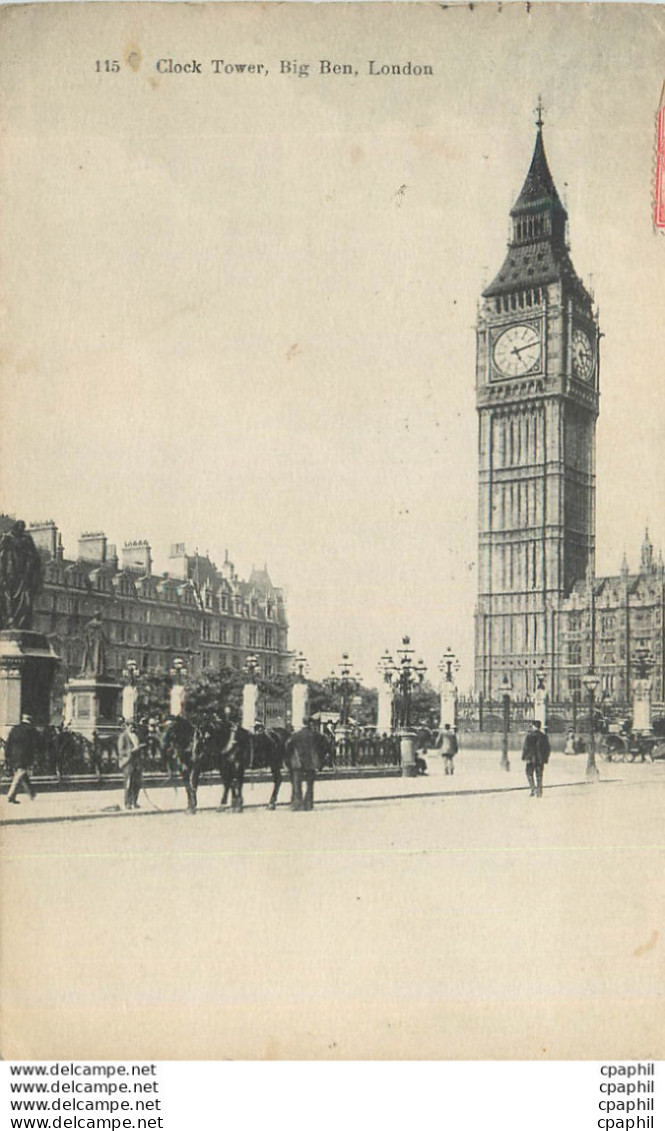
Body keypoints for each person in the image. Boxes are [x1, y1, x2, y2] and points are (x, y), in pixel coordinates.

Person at [5, 713, 43, 803]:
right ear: (31, 720)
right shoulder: (31, 730)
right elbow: (37, 745)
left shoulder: (14, 729)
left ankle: (32, 794)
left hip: (13, 755)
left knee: (22, 774)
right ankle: (10, 795)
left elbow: (8, 743)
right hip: (25, 756)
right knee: (21, 773)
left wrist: (7, 755)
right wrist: (37, 756)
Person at [117, 720, 143, 810]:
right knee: (128, 783)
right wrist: (132, 750)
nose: (132, 728)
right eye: (131, 726)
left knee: (137, 783)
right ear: (126, 726)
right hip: (127, 763)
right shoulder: (123, 736)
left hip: (137, 762)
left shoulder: (136, 736)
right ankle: (127, 803)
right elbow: (120, 751)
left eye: (133, 726)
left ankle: (134, 802)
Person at [521, 719, 551, 798]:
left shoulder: (529, 736)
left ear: (534, 726)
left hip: (531, 759)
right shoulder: (544, 736)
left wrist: (524, 757)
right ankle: (539, 792)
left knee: (529, 773)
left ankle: (533, 788)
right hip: (540, 759)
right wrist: (545, 758)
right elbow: (547, 749)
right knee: (539, 775)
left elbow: (526, 748)